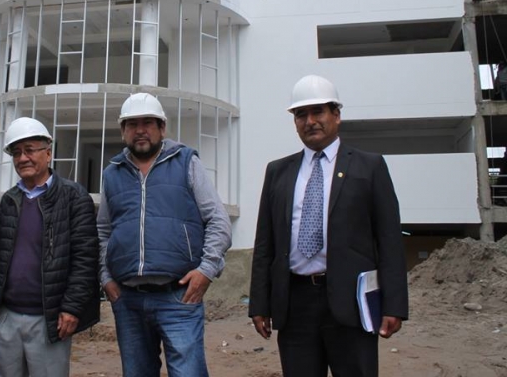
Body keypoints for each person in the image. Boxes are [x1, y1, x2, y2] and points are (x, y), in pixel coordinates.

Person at [249, 75, 409, 377]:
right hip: (295, 305)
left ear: (336, 115)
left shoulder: (369, 167)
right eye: (301, 115)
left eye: (318, 112)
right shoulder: (278, 172)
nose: (310, 121)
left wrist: (394, 305)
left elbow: (389, 240)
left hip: (351, 303)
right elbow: (265, 244)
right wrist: (259, 303)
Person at [97, 93, 232, 377]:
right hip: (128, 300)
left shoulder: (186, 162)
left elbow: (218, 221)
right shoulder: (112, 174)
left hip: (178, 298)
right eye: (132, 124)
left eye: (148, 122)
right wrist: (106, 277)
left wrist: (206, 270)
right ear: (123, 132)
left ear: (162, 128)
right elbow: (103, 231)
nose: (140, 130)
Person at [0, 117, 100, 377]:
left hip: (49, 319)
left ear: (48, 153)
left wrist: (71, 308)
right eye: (16, 152)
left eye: (29, 150)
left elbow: (85, 258)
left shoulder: (73, 197)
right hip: (7, 316)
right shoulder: (9, 201)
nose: (22, 158)